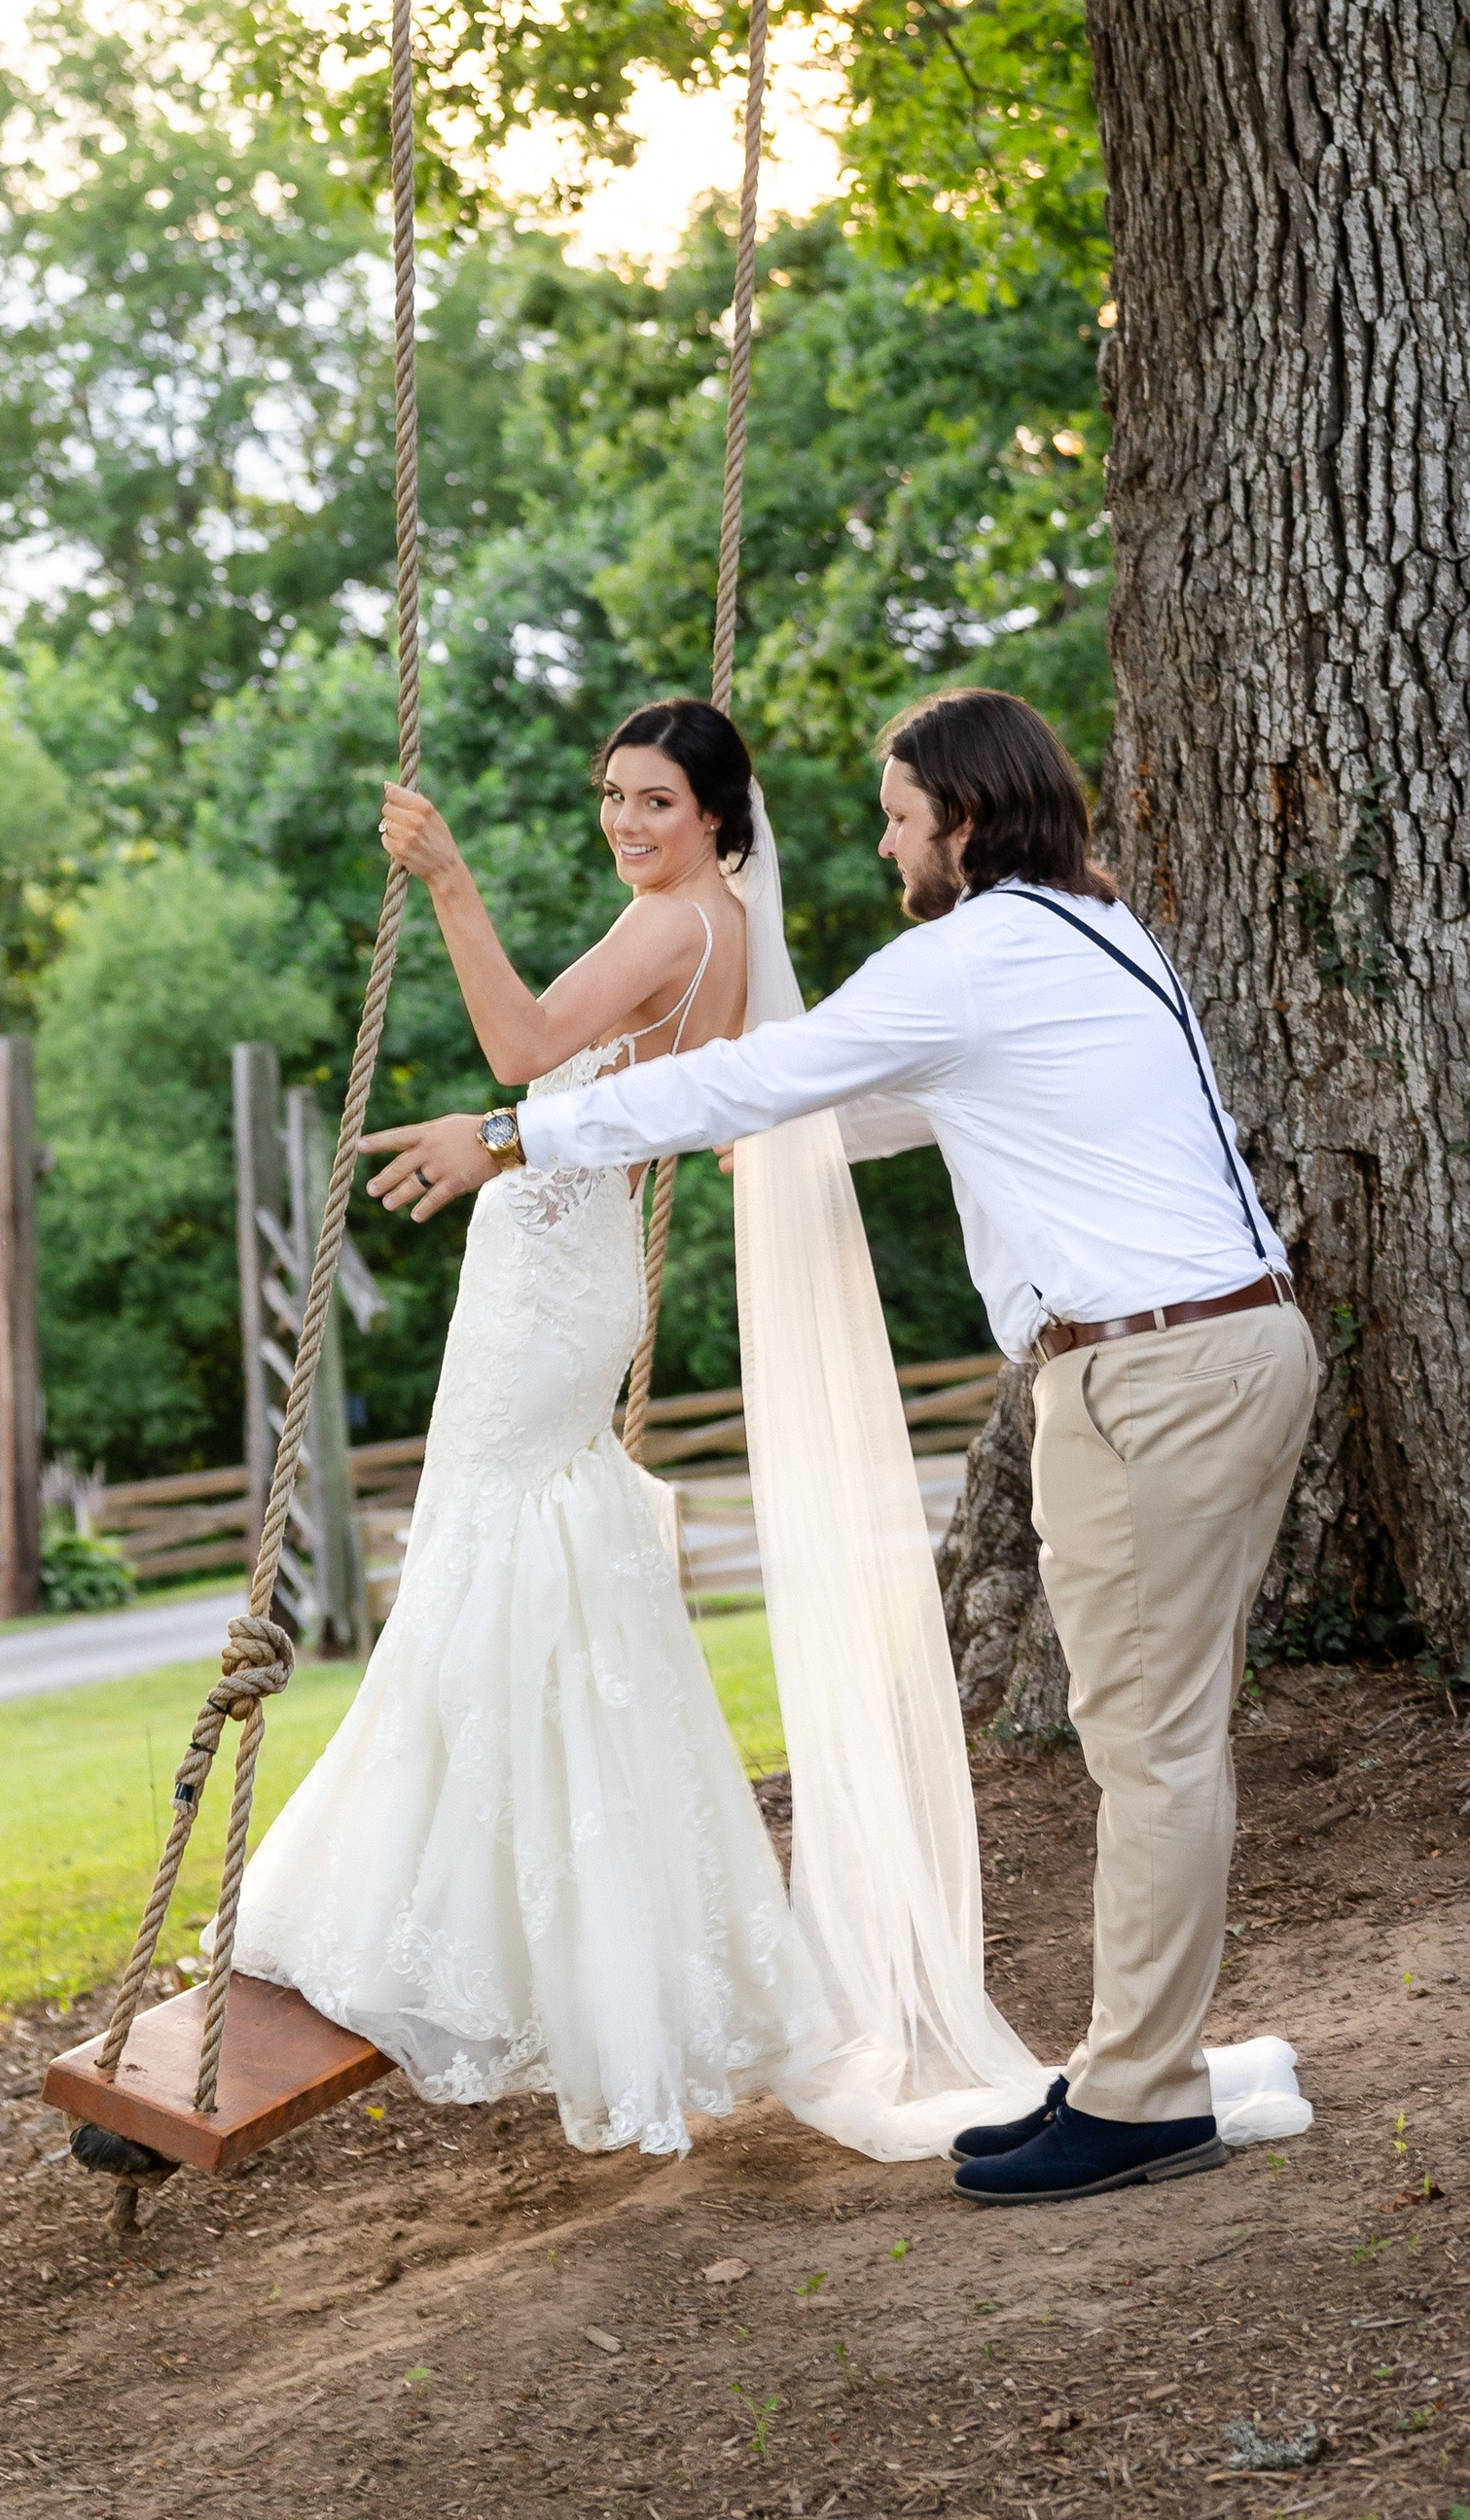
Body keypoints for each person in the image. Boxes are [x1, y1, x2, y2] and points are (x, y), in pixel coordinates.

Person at [365, 686, 1321, 2208]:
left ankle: (1141, 2098)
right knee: (1152, 1731)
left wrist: (509, 1133)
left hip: (1156, 1376)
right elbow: (881, 1097)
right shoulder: (1088, 933)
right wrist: (777, 1135)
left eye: (896, 816)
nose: (880, 846)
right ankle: (1140, 2068)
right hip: (1222, 1346)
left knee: (1150, 1743)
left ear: (963, 818)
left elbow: (772, 1070)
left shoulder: (976, 950)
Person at [234, 698, 1023, 2157]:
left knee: (486, 1552)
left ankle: (418, 1909)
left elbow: (523, 1038)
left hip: (549, 1285)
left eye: (655, 801)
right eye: (612, 796)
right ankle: (535, 1915)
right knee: (516, 1566)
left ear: (721, 816)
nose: (626, 825)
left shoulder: (678, 924)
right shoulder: (714, 926)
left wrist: (451, 884)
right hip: (558, 1269)